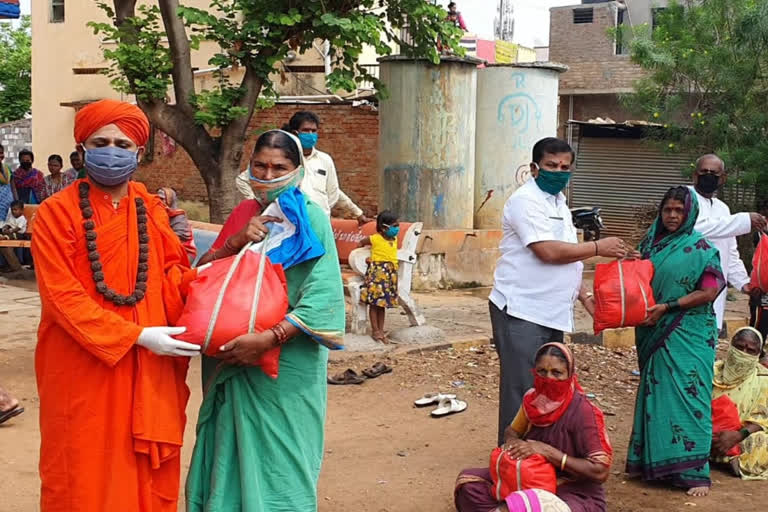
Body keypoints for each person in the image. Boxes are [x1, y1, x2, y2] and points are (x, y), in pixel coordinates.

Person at [31, 99, 200, 511]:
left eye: (122, 144)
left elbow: (174, 280)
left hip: (149, 370)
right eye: (101, 142)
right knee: (80, 470)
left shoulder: (153, 210)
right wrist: (137, 335)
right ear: (83, 150)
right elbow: (62, 297)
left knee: (143, 474)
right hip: (81, 368)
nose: (112, 151)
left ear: (138, 153)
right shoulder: (55, 214)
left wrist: (227, 259)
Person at [186, 130, 345, 511]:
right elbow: (201, 279)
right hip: (231, 362)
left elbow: (323, 299)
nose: (269, 173)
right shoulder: (242, 214)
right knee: (227, 451)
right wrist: (234, 242)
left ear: (297, 170)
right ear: (250, 166)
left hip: (286, 368)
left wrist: (269, 338)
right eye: (260, 165)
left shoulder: (311, 219)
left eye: (279, 167)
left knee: (283, 460)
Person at [489, 137, 629, 446]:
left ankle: (540, 450)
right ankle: (512, 457)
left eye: (565, 167)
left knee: (549, 383)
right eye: (551, 166)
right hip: (521, 308)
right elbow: (548, 252)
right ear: (534, 168)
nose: (558, 172)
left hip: (551, 309)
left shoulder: (559, 202)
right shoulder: (525, 201)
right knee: (522, 387)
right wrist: (597, 247)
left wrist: (584, 296)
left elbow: (568, 258)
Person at [626, 186, 724, 497]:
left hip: (687, 331)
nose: (671, 215)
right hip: (651, 328)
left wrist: (668, 307)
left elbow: (709, 292)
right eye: (667, 209)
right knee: (656, 392)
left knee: (689, 394)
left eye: (678, 211)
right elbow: (637, 281)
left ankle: (693, 471)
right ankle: (651, 464)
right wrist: (632, 262)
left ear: (690, 214)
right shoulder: (649, 244)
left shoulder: (702, 248)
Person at [455, 343, 613, 512]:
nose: (548, 379)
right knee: (469, 485)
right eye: (542, 372)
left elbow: (600, 471)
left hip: (570, 489)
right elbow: (512, 431)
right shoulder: (532, 399)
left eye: (557, 373)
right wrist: (513, 443)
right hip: (529, 478)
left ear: (570, 374)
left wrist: (547, 452)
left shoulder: (584, 411)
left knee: (535, 506)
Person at [236, 111, 371, 224]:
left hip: (318, 222)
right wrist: (256, 204)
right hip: (284, 223)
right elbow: (244, 180)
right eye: (306, 131)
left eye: (314, 131)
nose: (311, 135)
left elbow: (333, 193)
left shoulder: (324, 160)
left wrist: (357, 213)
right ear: (295, 133)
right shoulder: (281, 160)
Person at [689, 154, 767, 331]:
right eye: (704, 171)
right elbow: (695, 229)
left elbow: (730, 251)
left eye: (714, 173)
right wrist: (744, 221)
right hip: (689, 285)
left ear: (722, 178)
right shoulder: (684, 198)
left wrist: (743, 283)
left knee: (708, 340)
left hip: (715, 289)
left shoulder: (722, 208)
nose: (708, 175)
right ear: (695, 175)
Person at [711, 326, 768, 480]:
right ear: (731, 346)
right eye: (739, 347)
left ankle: (730, 456)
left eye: (751, 351)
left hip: (742, 436)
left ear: (758, 354)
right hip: (709, 431)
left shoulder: (764, 379)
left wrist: (737, 435)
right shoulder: (711, 372)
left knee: (761, 441)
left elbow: (762, 418)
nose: (744, 353)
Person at [359, 210, 400, 342]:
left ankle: (381, 331)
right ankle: (375, 331)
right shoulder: (374, 238)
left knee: (382, 305)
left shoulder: (394, 239)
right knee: (374, 304)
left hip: (389, 276)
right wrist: (364, 257)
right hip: (377, 275)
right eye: (394, 226)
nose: (396, 228)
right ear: (384, 227)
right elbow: (360, 243)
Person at [157, 187, 197, 262]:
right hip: (168, 250)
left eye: (162, 199)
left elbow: (178, 237)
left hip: (185, 252)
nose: (159, 201)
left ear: (170, 200)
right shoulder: (158, 214)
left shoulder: (179, 216)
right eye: (158, 198)